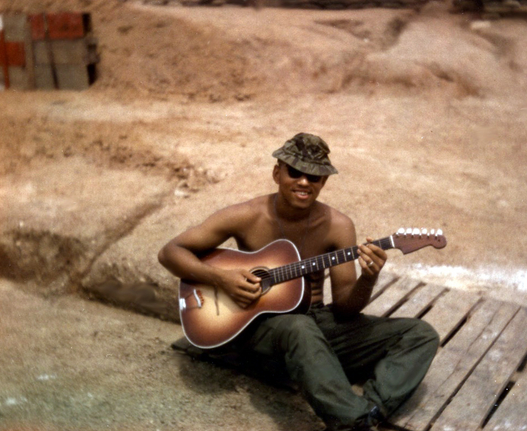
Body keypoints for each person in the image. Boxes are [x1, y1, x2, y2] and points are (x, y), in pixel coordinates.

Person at [158, 133, 439, 431]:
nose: (305, 182)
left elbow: (345, 308)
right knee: (298, 328)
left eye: (315, 177)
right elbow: (170, 252)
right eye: (295, 172)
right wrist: (221, 278)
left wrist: (369, 278)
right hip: (259, 328)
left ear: (324, 183)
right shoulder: (246, 215)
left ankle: (371, 409)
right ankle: (351, 422)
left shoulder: (338, 226)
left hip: (315, 322)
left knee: (420, 334)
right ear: (277, 173)